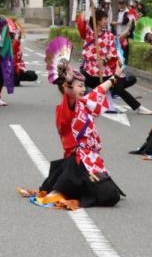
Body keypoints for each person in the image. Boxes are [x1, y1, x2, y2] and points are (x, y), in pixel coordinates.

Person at [18, 66, 126, 211]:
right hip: (77, 163)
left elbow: (99, 90)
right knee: (110, 196)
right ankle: (67, 191)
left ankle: (71, 189)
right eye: (79, 85)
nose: (83, 89)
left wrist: (115, 77)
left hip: (91, 160)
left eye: (84, 85)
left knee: (111, 193)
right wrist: (68, 82)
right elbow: (69, 94)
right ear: (67, 87)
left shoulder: (84, 104)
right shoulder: (67, 108)